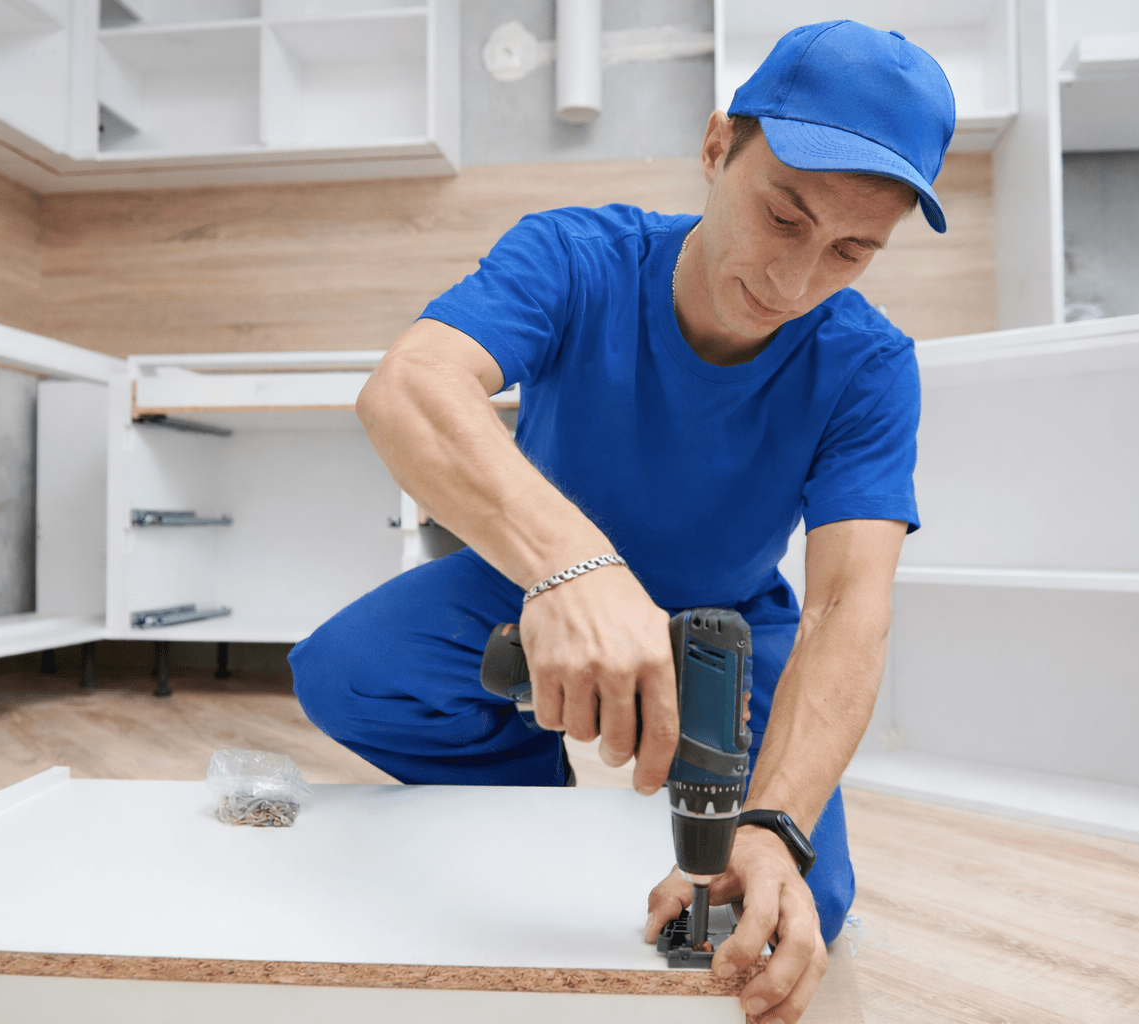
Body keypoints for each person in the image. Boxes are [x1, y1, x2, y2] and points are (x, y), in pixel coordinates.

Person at [290, 20, 955, 1023]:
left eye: (852, 250)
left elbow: (846, 612)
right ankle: (533, 799)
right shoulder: (573, 255)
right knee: (347, 672)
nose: (793, 281)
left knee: (790, 905)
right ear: (716, 147)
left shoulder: (870, 364)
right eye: (785, 216)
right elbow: (410, 386)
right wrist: (572, 570)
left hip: (732, 619)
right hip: (535, 579)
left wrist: (773, 823)